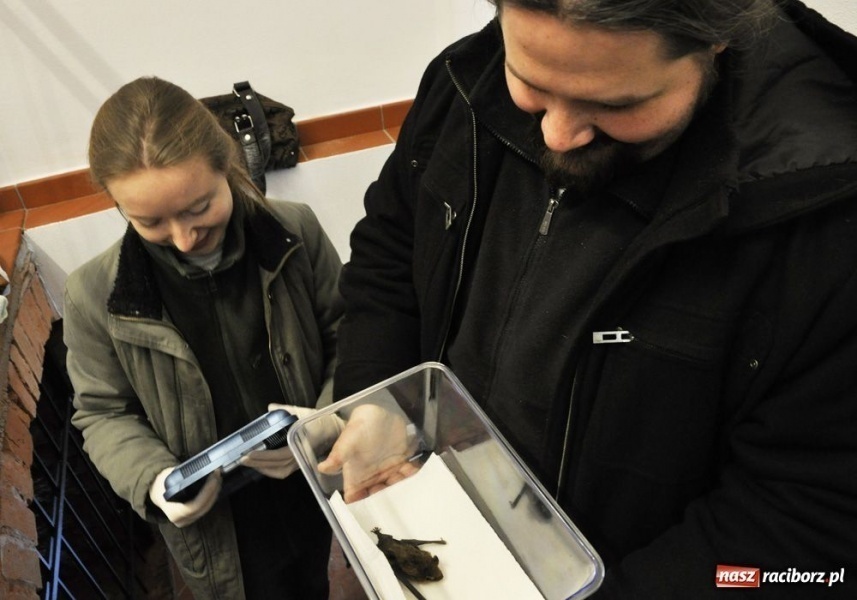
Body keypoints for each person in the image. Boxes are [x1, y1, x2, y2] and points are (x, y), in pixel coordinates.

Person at [332, 0, 857, 597]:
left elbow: (803, 527)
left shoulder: (824, 215)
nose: (557, 134)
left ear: (715, 41)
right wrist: (375, 397)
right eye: (529, 84)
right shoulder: (465, 80)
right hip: (425, 526)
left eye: (614, 105)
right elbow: (390, 249)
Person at [64, 76, 343, 599]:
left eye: (198, 208)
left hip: (310, 483)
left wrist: (324, 422)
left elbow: (347, 336)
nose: (184, 238)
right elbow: (102, 412)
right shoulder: (92, 295)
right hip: (212, 529)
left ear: (230, 165)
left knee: (312, 582)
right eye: (150, 221)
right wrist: (152, 480)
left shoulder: (296, 232)